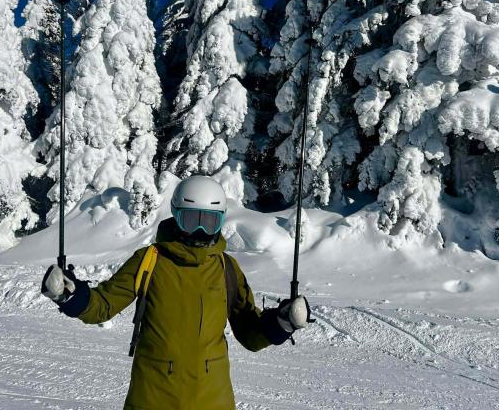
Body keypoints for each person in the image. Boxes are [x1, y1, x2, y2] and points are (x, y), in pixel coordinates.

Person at [41, 175, 310, 410]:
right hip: (153, 398)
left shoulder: (226, 268)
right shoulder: (150, 260)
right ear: (176, 215)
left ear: (221, 221)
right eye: (192, 220)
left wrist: (282, 322)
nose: (201, 230)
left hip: (212, 401)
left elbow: (250, 333)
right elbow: (103, 305)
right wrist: (70, 295)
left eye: (210, 221)